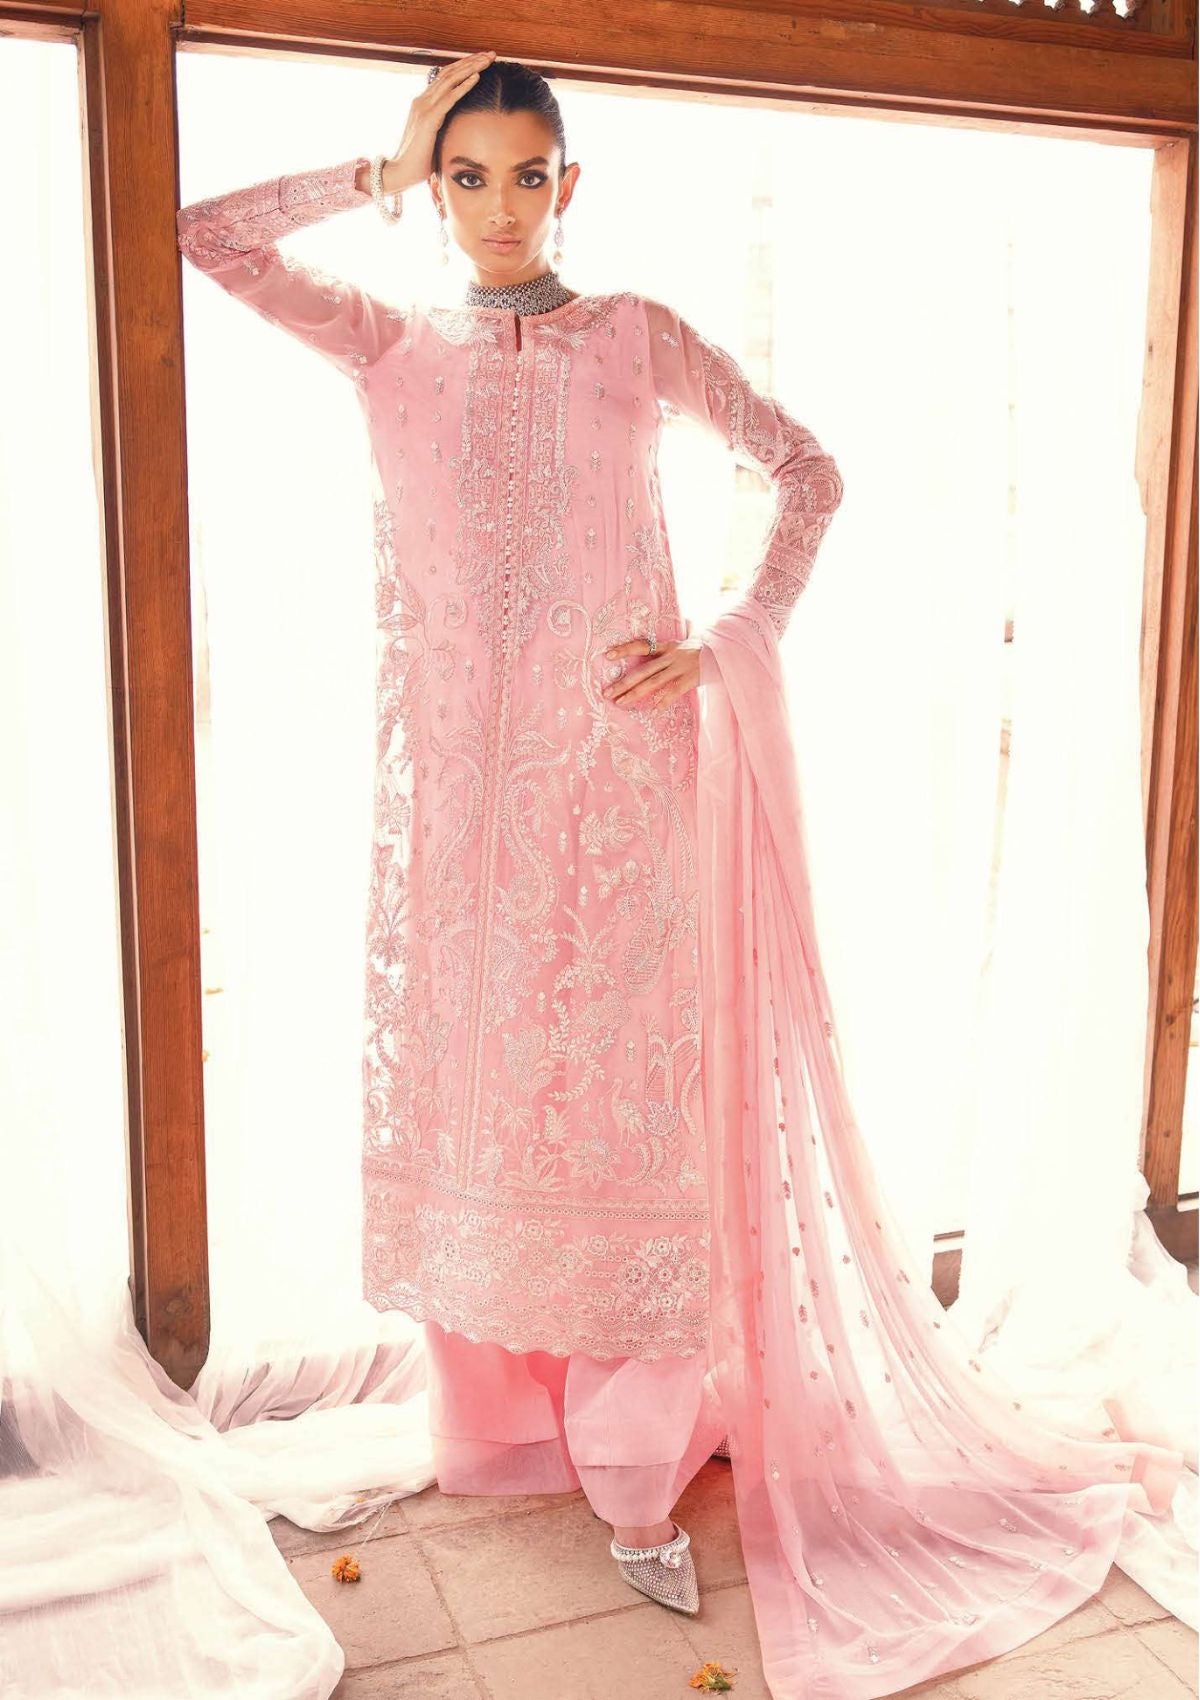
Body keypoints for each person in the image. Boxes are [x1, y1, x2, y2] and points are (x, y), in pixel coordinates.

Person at [177, 52, 1187, 1696]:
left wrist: (731, 634)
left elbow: (808, 470)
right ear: (439, 187)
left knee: (619, 1115)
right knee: (482, 1104)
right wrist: (381, 168)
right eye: (468, 176)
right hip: (454, 817)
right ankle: (506, 1433)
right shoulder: (385, 345)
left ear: (570, 183)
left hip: (616, 801)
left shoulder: (632, 339)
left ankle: (637, 1461)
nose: (498, 208)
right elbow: (205, 235)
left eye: (526, 173)